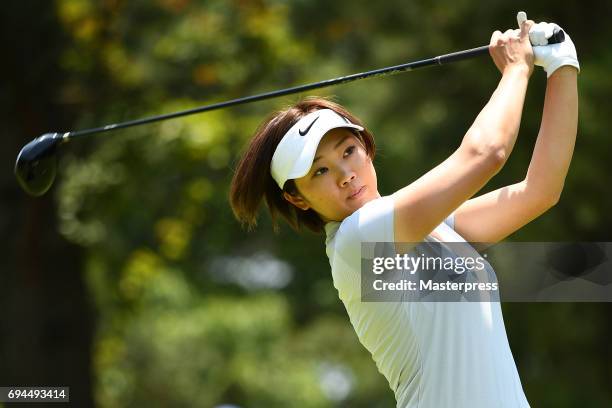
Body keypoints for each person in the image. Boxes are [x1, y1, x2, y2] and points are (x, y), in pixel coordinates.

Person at [229, 11, 579, 408]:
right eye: (320, 171)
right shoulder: (356, 242)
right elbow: (486, 153)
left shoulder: (437, 229)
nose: (345, 174)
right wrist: (516, 71)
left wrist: (562, 65)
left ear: (367, 146)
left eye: (348, 151)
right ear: (296, 198)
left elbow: (539, 192)